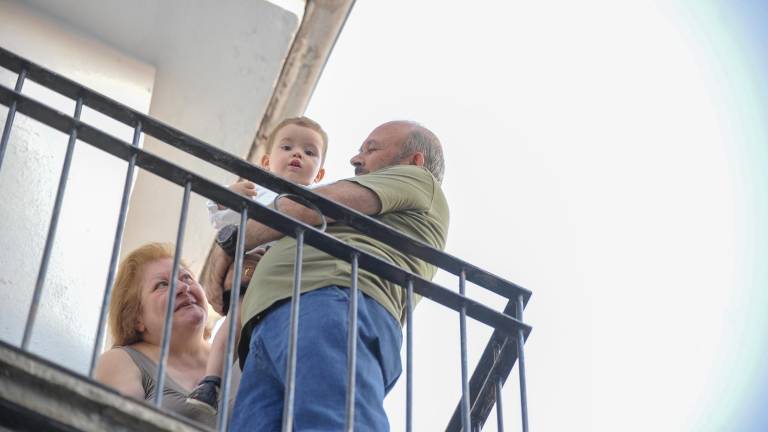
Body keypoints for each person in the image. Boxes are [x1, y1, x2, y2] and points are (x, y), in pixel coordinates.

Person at [205, 120, 448, 431]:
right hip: (275, 322)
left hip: (331, 302)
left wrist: (231, 242)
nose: (355, 159)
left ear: (415, 161)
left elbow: (313, 206)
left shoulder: (419, 180)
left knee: (331, 421)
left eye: (371, 149)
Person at [188, 116, 329, 413]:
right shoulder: (259, 190)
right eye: (287, 146)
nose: (297, 154)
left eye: (309, 152)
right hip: (254, 272)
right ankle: (210, 382)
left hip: (290, 282)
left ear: (320, 173)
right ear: (266, 161)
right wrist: (228, 198)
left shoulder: (320, 203)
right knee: (235, 320)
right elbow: (221, 221)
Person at [94, 243, 215, 428]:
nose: (183, 287)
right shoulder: (121, 360)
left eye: (187, 278)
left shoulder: (238, 357)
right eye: (162, 285)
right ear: (136, 318)